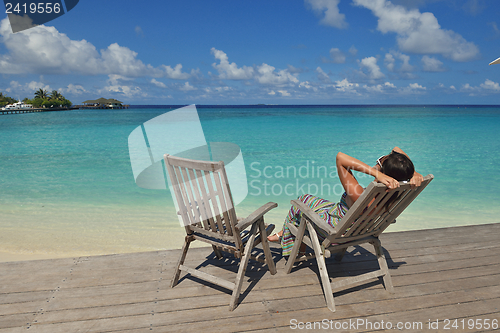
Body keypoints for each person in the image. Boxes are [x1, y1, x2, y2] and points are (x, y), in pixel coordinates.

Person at [267, 147, 424, 256]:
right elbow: (397, 149)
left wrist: (375, 173)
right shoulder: (396, 194)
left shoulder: (360, 196)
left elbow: (340, 158)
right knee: (309, 198)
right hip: (356, 230)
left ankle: (295, 248)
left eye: (379, 162)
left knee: (300, 203)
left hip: (333, 229)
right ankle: (282, 234)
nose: (376, 163)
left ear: (383, 173)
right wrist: (414, 173)